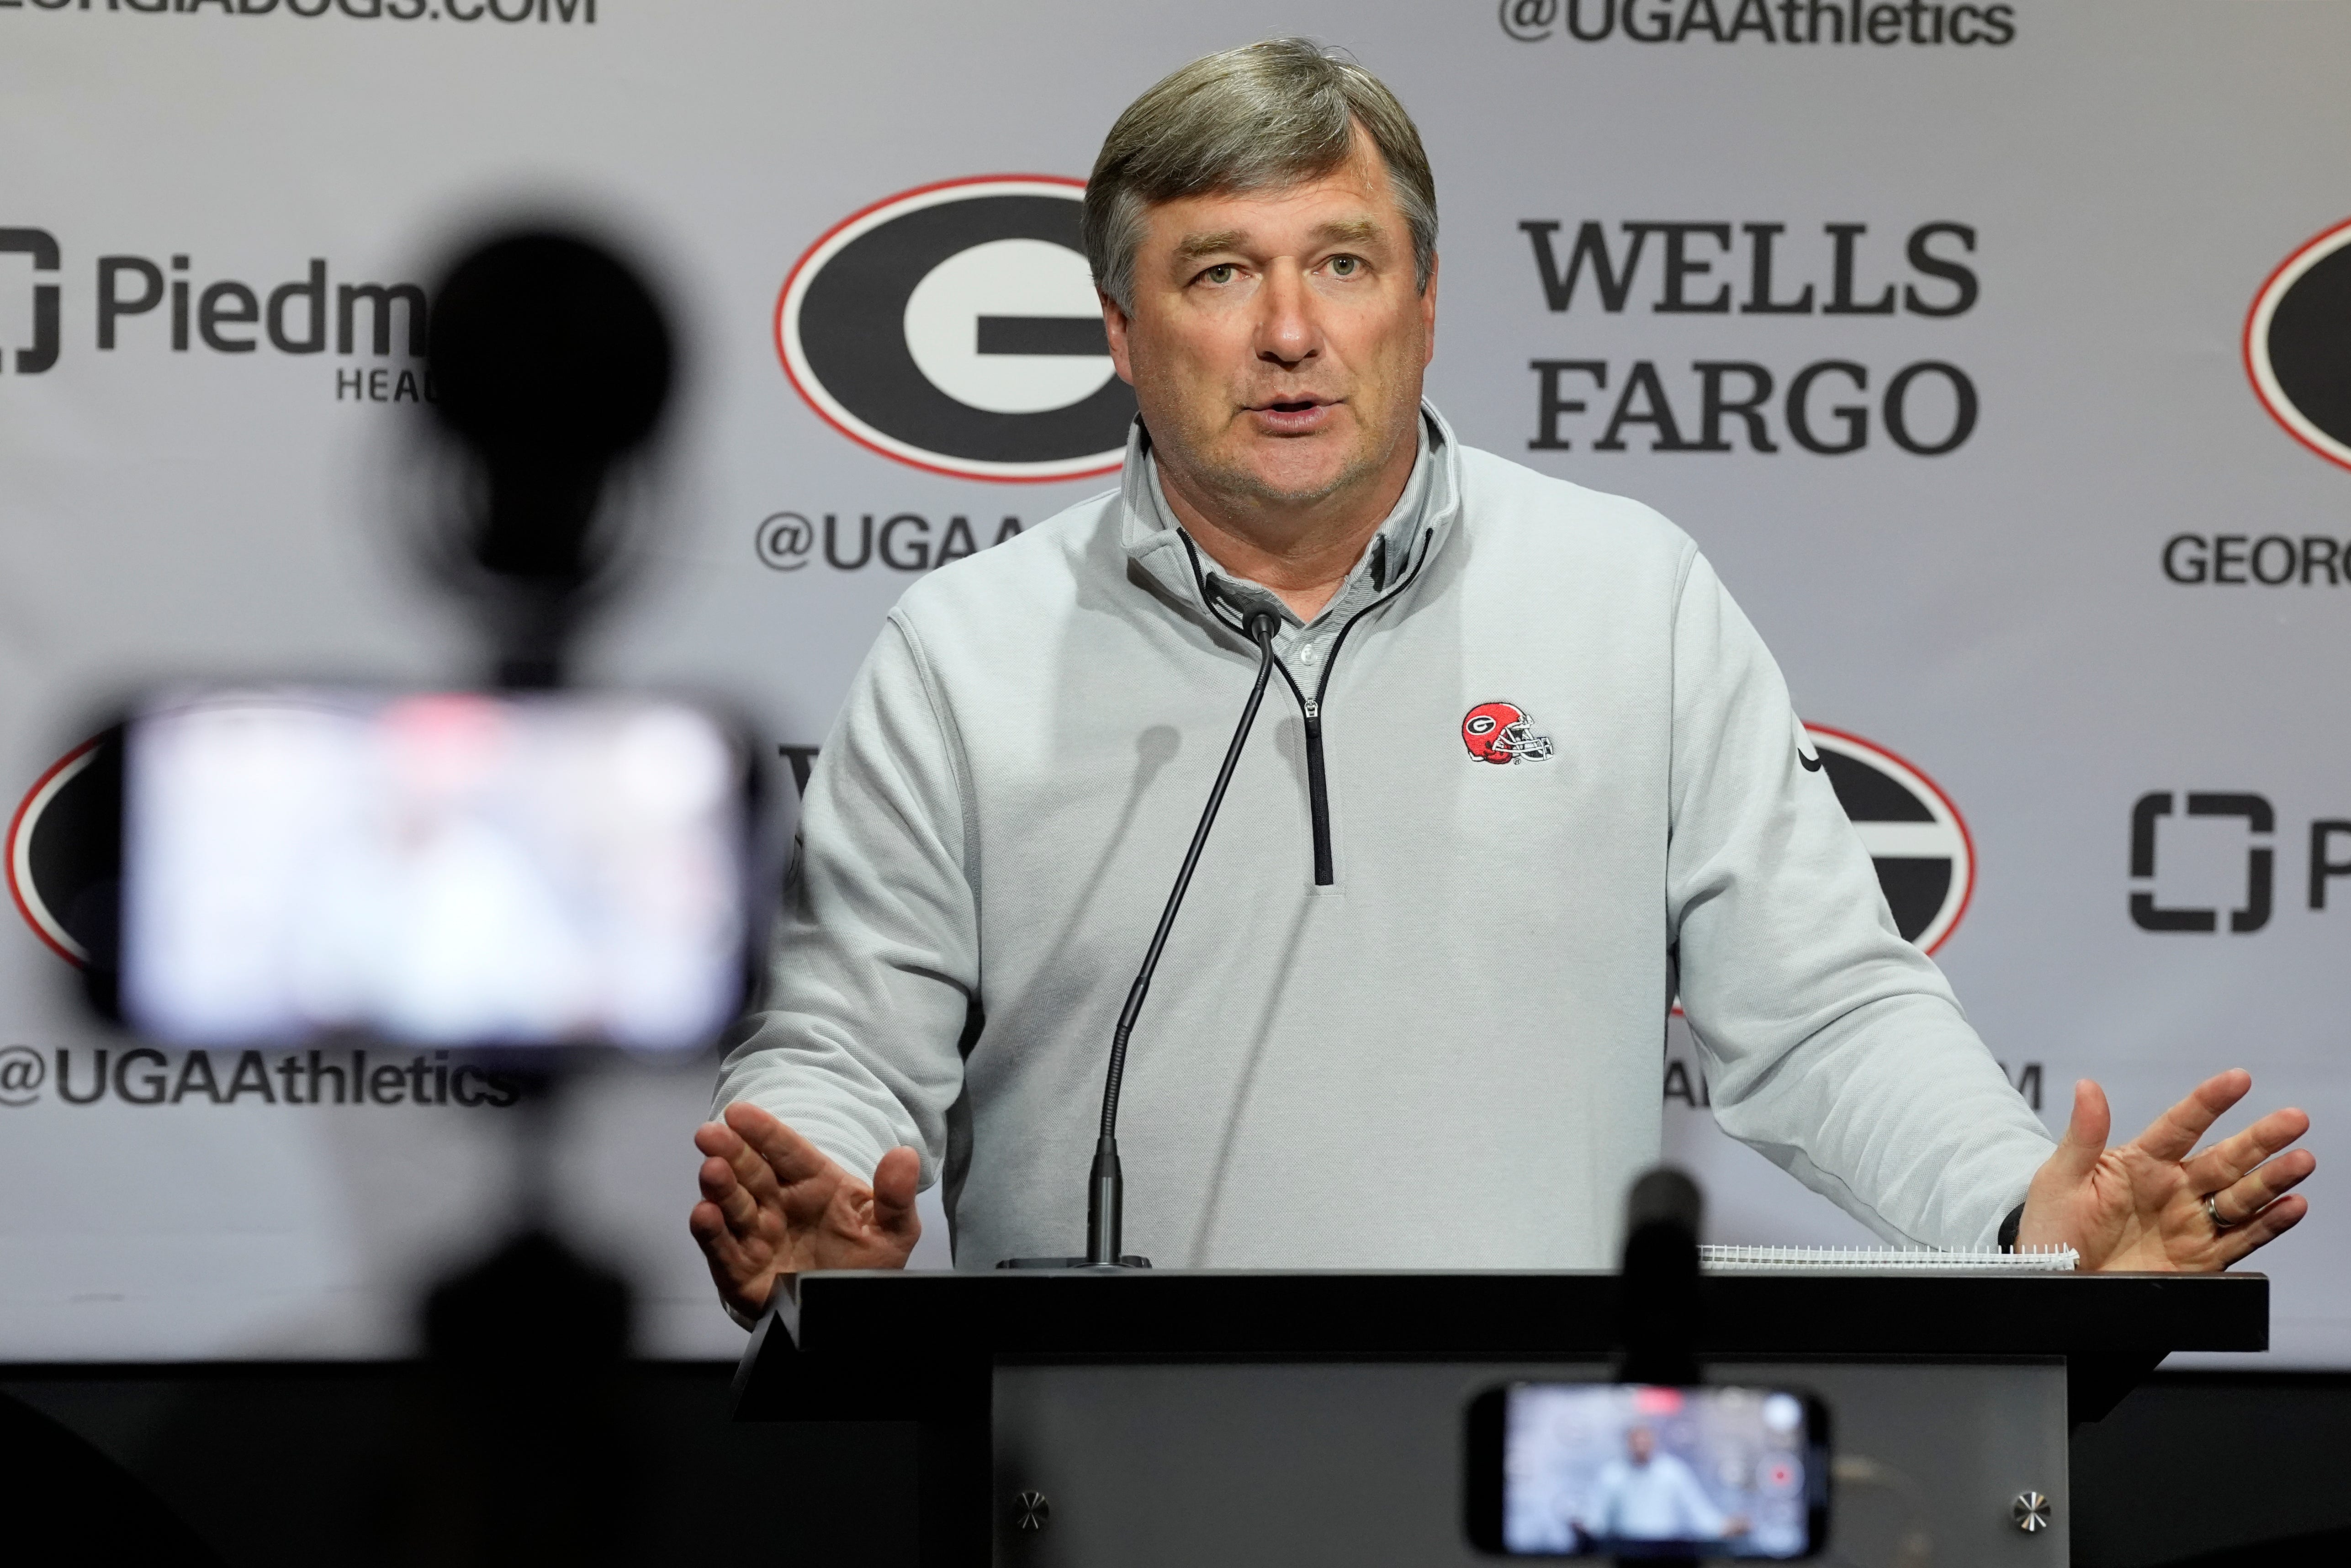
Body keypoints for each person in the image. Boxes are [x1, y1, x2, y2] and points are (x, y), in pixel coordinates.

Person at [688, 39, 2312, 1319]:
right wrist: (811, 1187)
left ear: (1424, 300)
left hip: (1536, 1448)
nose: (1287, 332)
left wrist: (2019, 1211)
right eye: (1217, 273)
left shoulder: (1627, 596)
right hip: (1094, 1457)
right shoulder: (965, 650)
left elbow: (1821, 1009)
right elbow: (841, 1035)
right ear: (1121, 328)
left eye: (1340, 262)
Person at [1578, 1425, 1745, 1548]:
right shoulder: (1612, 1474)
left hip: (1667, 1552)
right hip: (1625, 1551)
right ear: (1628, 1443)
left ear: (1653, 1442)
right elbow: (1596, 1519)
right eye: (1636, 1441)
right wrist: (1584, 1527)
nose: (1641, 1447)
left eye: (1645, 1441)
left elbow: (1698, 1512)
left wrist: (1724, 1527)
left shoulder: (1673, 1472)